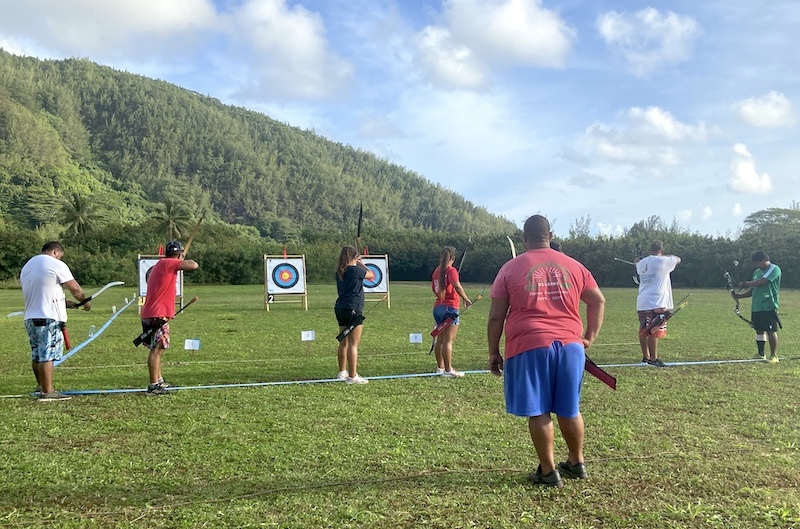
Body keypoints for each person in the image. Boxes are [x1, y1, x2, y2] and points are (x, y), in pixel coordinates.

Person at [488, 215, 605, 488]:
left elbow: (496, 317)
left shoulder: (509, 268)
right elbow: (597, 300)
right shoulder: (575, 266)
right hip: (570, 344)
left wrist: (494, 351)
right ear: (550, 235)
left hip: (529, 343)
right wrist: (589, 336)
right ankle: (577, 463)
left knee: (539, 410)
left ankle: (549, 471)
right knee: (569, 408)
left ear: (523, 238)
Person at [20, 241, 91, 402]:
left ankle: (41, 386)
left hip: (31, 317)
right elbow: (76, 289)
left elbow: (43, 291)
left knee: (37, 354)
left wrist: (66, 303)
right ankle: (48, 391)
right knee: (47, 354)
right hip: (48, 318)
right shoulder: (55, 263)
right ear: (56, 252)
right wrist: (85, 302)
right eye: (60, 256)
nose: (60, 258)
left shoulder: (29, 265)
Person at [140, 240, 199, 395]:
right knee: (157, 348)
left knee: (158, 348)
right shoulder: (169, 263)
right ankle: (153, 386)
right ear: (178, 254)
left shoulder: (163, 263)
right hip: (156, 314)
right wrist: (182, 259)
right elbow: (193, 265)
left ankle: (159, 381)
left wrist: (179, 257)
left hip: (156, 313)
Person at [635, 240, 681, 367]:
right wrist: (662, 257)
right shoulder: (663, 261)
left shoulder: (641, 263)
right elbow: (678, 259)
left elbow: (637, 264)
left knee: (643, 329)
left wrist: (640, 260)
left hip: (642, 301)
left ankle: (645, 357)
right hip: (656, 301)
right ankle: (653, 359)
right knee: (653, 330)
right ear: (662, 251)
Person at [335, 245, 376, 384]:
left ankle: (342, 372)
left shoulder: (340, 271)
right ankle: (352, 376)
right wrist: (362, 264)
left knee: (344, 341)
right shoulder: (355, 270)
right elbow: (372, 276)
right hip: (353, 308)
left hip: (340, 308)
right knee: (353, 344)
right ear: (354, 257)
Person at [733, 250, 781, 362]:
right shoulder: (757, 272)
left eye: (758, 263)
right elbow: (753, 290)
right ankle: (761, 354)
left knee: (771, 330)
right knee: (759, 330)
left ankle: (774, 355)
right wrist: (739, 296)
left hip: (769, 305)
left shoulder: (774, 269)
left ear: (764, 260)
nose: (757, 266)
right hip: (757, 306)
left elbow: (762, 282)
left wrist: (745, 283)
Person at [431, 246, 472, 377]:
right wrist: (465, 298)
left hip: (438, 308)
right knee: (448, 341)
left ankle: (440, 368)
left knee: (441, 340)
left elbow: (435, 289)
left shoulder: (436, 271)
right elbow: (457, 285)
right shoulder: (451, 270)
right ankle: (448, 370)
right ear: (453, 258)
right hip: (450, 308)